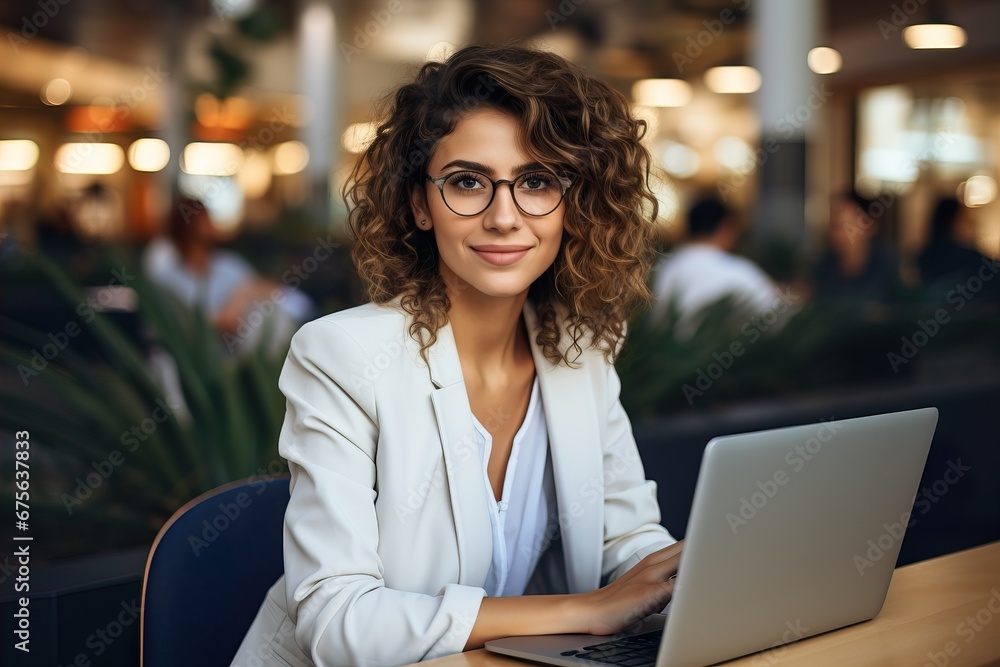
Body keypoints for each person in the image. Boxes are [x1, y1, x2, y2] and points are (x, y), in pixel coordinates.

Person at [231, 45, 682, 666]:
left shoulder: (581, 350)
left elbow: (628, 540)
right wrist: (588, 609)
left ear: (574, 205)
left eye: (536, 181)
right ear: (420, 203)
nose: (504, 217)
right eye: (468, 182)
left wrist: (688, 582)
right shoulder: (341, 358)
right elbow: (339, 622)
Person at [142, 198, 314, 353]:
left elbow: (269, 288)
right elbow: (187, 326)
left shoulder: (228, 264)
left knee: (272, 317)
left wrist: (242, 296)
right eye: (202, 219)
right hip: (204, 360)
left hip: (246, 353)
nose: (210, 223)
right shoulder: (167, 279)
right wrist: (233, 307)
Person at [651, 197, 783, 338]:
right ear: (726, 227)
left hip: (667, 356)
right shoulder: (740, 272)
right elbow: (777, 318)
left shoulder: (662, 269)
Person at [811, 190, 899, 302]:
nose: (836, 235)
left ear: (870, 226)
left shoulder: (887, 269)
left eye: (844, 227)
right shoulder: (821, 270)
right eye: (833, 226)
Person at [917, 197, 990, 287]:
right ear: (952, 219)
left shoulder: (924, 256)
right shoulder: (971, 259)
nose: (972, 220)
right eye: (964, 216)